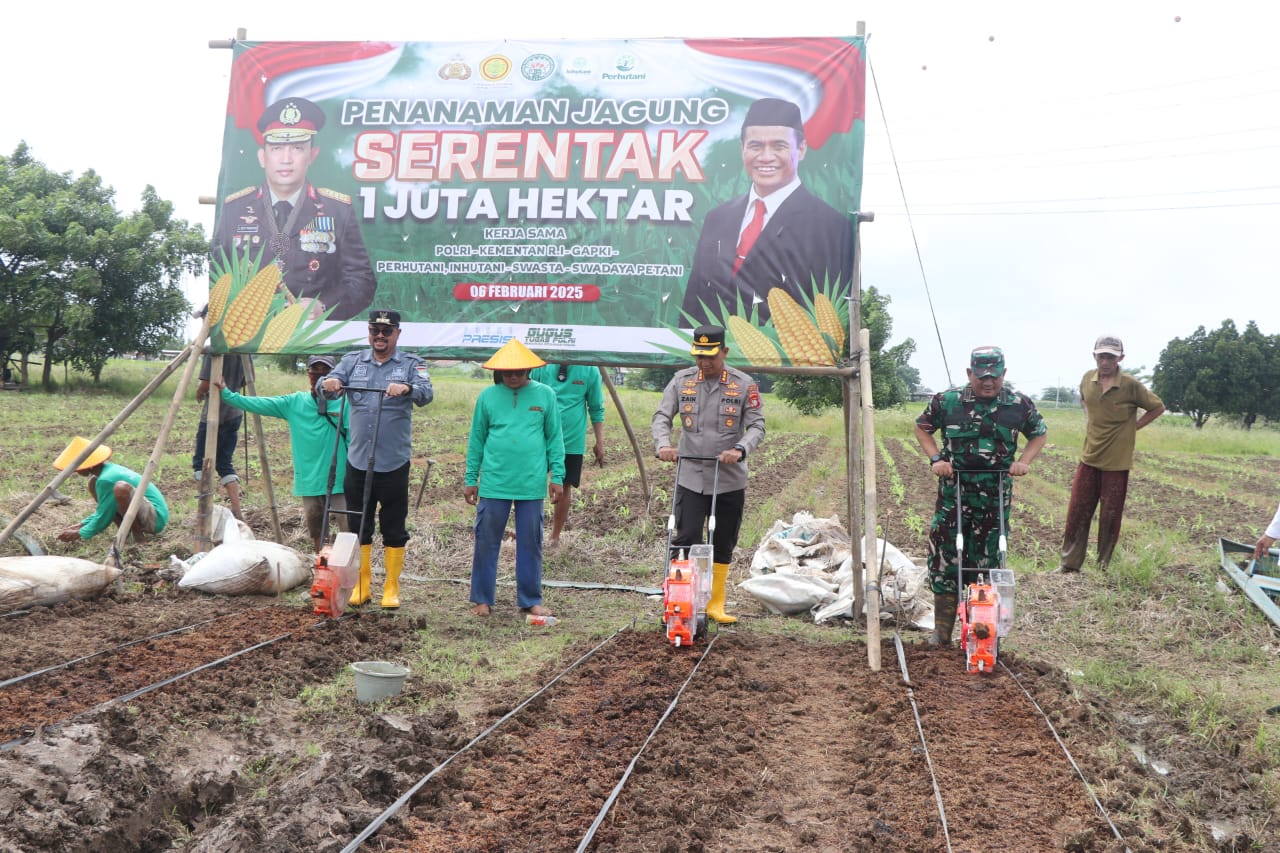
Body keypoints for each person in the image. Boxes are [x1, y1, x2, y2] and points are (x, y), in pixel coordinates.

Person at [914, 346, 1048, 646]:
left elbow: (1039, 433)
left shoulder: (1018, 404)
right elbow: (922, 428)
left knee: (989, 560)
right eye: (982, 376)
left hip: (994, 496)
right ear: (969, 373)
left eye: (995, 376)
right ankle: (942, 632)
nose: (988, 382)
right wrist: (937, 460)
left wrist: (1023, 462)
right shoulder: (946, 402)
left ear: (1004, 374)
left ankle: (981, 632)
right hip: (954, 494)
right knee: (945, 557)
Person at [681, 97, 854, 327]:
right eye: (755, 146)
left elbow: (829, 314)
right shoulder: (718, 217)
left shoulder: (830, 226)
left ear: (801, 149)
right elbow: (695, 300)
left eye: (779, 146)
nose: (765, 157)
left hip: (781, 359)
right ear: (742, 149)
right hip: (709, 358)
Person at [213, 96, 376, 321]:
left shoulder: (337, 210)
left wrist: (323, 305)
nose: (286, 159)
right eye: (277, 148)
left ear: (312, 155)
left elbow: (362, 281)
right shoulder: (235, 208)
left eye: (297, 148)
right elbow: (218, 272)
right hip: (246, 329)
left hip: (311, 334)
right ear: (262, 157)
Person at [652, 325, 766, 623]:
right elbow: (663, 416)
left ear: (724, 352)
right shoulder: (681, 381)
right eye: (699, 356)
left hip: (728, 478)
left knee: (723, 540)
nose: (704, 363)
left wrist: (740, 449)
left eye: (711, 357)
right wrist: (664, 445)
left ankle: (715, 604)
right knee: (686, 536)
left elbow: (757, 425)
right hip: (690, 475)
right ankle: (678, 600)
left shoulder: (744, 385)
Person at [321, 310, 433, 608]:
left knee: (394, 525)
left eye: (387, 332)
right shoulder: (353, 361)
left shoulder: (411, 363)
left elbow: (426, 393)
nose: (380, 337)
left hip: (393, 461)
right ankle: (362, 585)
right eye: (375, 331)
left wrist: (407, 388)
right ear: (369, 333)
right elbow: (330, 384)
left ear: (397, 334)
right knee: (359, 524)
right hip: (357, 460)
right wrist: (330, 383)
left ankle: (391, 588)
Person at [464, 338, 566, 618]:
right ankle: (482, 600)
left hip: (531, 484)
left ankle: (530, 600)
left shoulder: (545, 395)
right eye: (508, 372)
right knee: (486, 540)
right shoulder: (487, 397)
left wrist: (557, 475)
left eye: (519, 372)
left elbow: (554, 438)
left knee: (531, 543)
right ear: (499, 372)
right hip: (494, 483)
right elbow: (477, 440)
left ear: (528, 371)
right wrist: (471, 478)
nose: (514, 376)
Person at [217, 355, 351, 553]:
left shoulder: (346, 404)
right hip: (310, 480)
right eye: (315, 371)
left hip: (341, 478)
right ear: (308, 374)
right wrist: (227, 395)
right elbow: (259, 404)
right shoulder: (294, 402)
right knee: (316, 529)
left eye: (326, 372)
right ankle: (322, 564)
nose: (320, 376)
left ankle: (348, 570)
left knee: (348, 529)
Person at [1059, 335, 1165, 573]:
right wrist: (1090, 420)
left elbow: (1158, 407)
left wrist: (1133, 427)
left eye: (1111, 357)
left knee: (1110, 516)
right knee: (1077, 512)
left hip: (1116, 463)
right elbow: (1085, 400)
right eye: (1102, 356)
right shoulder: (1088, 379)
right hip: (1089, 457)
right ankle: (1069, 565)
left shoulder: (1130, 385)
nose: (1105, 361)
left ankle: (1102, 567)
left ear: (1120, 358)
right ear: (1094, 355)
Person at [528, 362, 605, 547]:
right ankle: (530, 532)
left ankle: (554, 536)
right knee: (531, 482)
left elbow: (596, 407)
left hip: (571, 440)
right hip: (540, 437)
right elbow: (530, 397)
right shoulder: (541, 365)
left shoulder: (590, 369)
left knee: (564, 486)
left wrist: (600, 442)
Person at [54, 437, 168, 544]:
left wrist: (80, 533)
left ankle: (138, 537)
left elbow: (104, 515)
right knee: (93, 483)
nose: (76, 472)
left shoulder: (106, 479)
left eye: (77, 468)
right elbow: (103, 509)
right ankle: (125, 532)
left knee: (121, 488)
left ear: (88, 465)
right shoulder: (106, 472)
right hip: (147, 512)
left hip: (155, 519)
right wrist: (81, 525)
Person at [193, 354, 247, 521]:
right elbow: (245, 381)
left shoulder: (214, 349)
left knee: (200, 463)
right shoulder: (243, 351)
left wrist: (199, 391)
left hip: (214, 413)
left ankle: (204, 511)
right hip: (234, 411)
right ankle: (237, 511)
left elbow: (207, 382)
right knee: (225, 462)